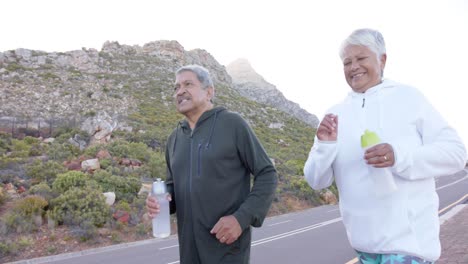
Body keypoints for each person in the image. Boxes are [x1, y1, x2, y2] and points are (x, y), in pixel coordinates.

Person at [303, 28, 466, 263]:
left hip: (410, 248)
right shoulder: (335, 114)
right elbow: (316, 180)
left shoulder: (409, 98)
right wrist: (324, 146)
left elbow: (455, 153)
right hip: (364, 250)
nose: (353, 67)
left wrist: (398, 156)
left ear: (382, 59)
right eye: (347, 62)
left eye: (361, 58)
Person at [146, 64, 278, 263]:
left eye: (188, 84)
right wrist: (161, 200)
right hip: (189, 252)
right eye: (176, 87)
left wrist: (241, 218)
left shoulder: (232, 124)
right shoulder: (174, 138)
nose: (180, 91)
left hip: (226, 248)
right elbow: (173, 186)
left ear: (209, 92)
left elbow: (267, 174)